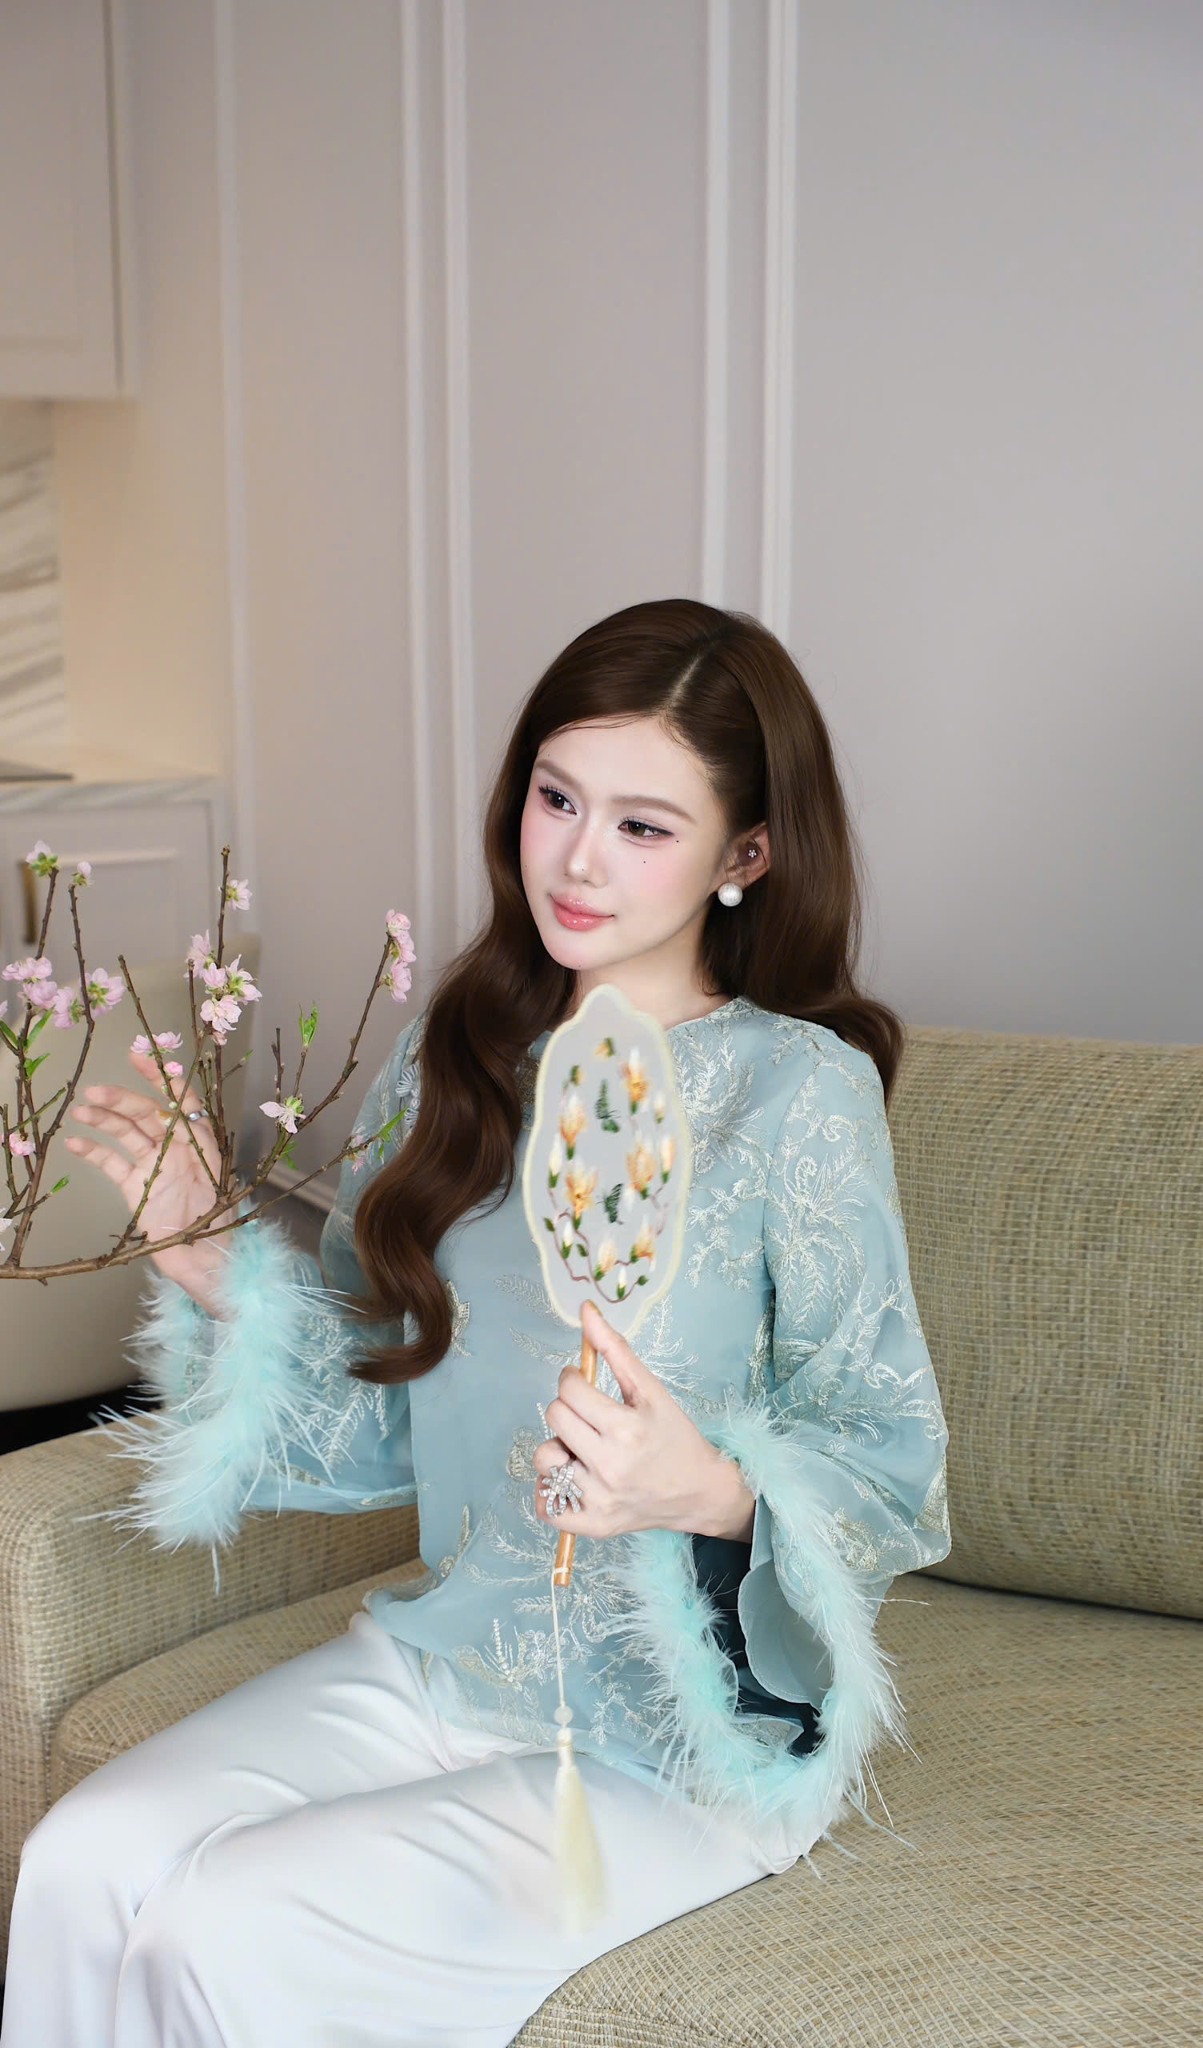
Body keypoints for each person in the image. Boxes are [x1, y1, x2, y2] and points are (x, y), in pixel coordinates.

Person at [1, 597, 951, 2047]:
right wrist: (213, 1265)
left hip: (677, 1736)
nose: (577, 857)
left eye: (643, 825)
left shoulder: (797, 1092)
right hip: (445, 1660)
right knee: (83, 1857)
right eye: (557, 798)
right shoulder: (459, 1063)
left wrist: (704, 1487)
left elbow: (892, 1460)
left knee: (225, 1925)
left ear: (744, 855)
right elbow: (390, 1426)